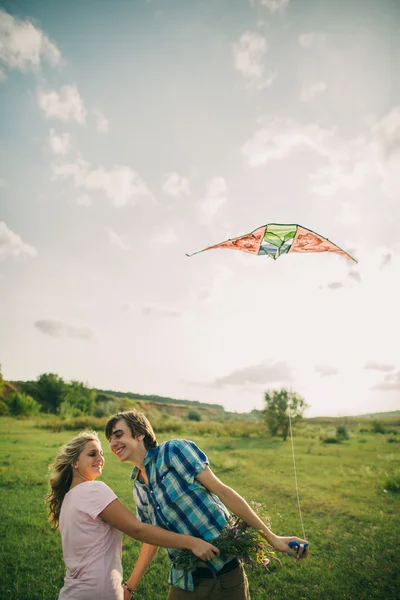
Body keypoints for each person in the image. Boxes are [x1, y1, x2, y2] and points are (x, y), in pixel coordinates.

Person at [105, 410, 310, 600]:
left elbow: (223, 492)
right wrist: (130, 587)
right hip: (183, 579)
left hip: (223, 573)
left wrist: (272, 539)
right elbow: (151, 538)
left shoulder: (173, 451)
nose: (113, 443)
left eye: (118, 435)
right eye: (110, 439)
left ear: (140, 433)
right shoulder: (138, 487)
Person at [45, 430, 220, 600]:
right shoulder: (93, 490)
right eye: (92, 454)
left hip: (73, 591)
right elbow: (138, 530)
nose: (100, 459)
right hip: (99, 590)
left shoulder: (67, 499)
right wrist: (192, 543)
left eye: (101, 453)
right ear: (74, 462)